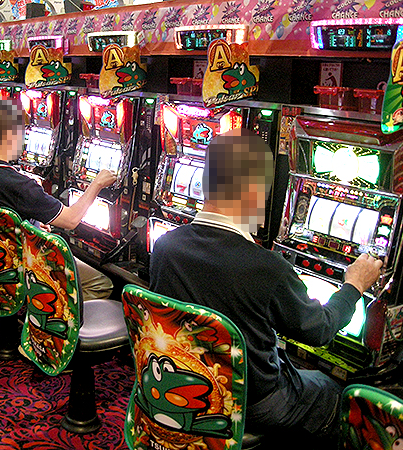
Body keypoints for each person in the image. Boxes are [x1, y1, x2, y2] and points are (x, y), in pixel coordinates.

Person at [149, 128, 382, 448]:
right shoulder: (266, 268)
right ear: (254, 192)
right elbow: (320, 330)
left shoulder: (165, 246)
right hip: (250, 400)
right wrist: (354, 284)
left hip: (181, 381)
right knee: (331, 389)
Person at [0, 99, 114, 301]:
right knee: (100, 283)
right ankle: (45, 311)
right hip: (21, 264)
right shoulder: (18, 185)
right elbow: (71, 220)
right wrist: (97, 184)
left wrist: (32, 226)